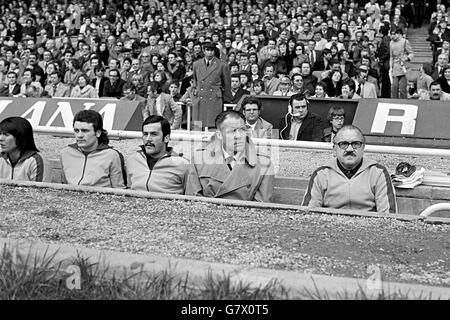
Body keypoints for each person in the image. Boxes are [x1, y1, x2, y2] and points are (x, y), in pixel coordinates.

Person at [302, 125, 397, 213]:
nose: (350, 149)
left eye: (356, 144)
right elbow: (308, 214)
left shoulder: (378, 173)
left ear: (363, 147)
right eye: (343, 144)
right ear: (334, 149)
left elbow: (388, 216)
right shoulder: (321, 175)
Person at [185, 110, 274, 202]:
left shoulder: (264, 164)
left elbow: (262, 206)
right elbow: (192, 199)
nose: (239, 136)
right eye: (233, 131)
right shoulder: (199, 159)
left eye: (242, 130)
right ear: (219, 135)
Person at [60, 110, 127, 188]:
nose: (79, 135)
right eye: (76, 131)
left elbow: (119, 189)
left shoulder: (112, 156)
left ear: (98, 133)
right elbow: (63, 185)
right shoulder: (65, 153)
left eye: (85, 131)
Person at [125, 115, 189, 194]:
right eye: (145, 134)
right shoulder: (132, 160)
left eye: (153, 134)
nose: (148, 139)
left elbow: (191, 197)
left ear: (166, 138)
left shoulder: (182, 164)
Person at [191, 42, 231, 130]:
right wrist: (193, 94)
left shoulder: (222, 65)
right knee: (197, 127)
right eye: (207, 50)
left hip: (214, 98)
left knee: (212, 126)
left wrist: (227, 98)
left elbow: (227, 84)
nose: (209, 52)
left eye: (212, 50)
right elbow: (195, 81)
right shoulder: (196, 64)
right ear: (203, 51)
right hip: (199, 98)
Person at [0, 117, 51, 182]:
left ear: (20, 137)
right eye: (0, 134)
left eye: (6, 135)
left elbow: (39, 191)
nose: (1, 138)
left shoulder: (37, 161)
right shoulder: (1, 159)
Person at [389, 28, 414, 99]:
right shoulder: (391, 42)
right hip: (395, 66)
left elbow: (411, 53)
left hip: (403, 66)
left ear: (398, 34)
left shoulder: (405, 41)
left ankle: (404, 101)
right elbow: (391, 56)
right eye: (391, 34)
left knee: (402, 88)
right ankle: (394, 101)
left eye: (394, 34)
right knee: (394, 87)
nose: (392, 36)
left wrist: (406, 58)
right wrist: (390, 67)